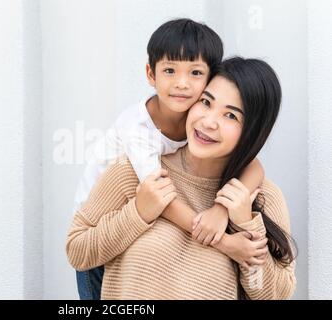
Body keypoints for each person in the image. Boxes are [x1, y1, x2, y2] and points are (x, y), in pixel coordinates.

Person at [67, 57, 296, 299]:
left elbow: (274, 296)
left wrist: (244, 222)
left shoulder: (262, 196)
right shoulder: (138, 169)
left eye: (231, 116)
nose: (208, 122)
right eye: (206, 102)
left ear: (253, 131)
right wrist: (137, 213)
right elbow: (78, 252)